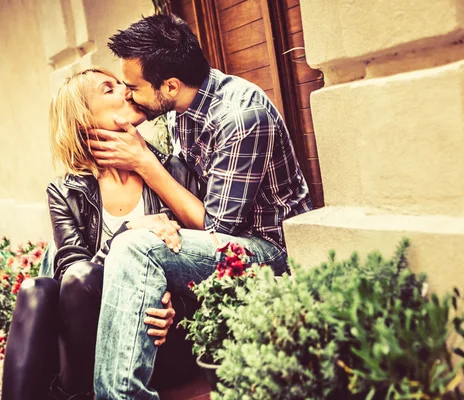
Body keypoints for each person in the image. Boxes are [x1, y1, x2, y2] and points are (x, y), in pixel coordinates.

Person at [89, 14, 313, 399]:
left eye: (132, 87)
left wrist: (146, 164)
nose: (127, 95)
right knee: (125, 248)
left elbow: (219, 233)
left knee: (133, 246)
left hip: (269, 252)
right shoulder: (183, 110)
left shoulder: (240, 117)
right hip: (220, 243)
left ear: (170, 86)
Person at [1, 67, 202, 400]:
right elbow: (71, 279)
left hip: (157, 340)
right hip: (91, 342)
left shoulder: (172, 171)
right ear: (83, 119)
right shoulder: (66, 192)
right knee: (37, 289)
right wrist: (126, 232)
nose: (125, 90)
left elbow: (207, 257)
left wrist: (175, 310)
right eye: (108, 89)